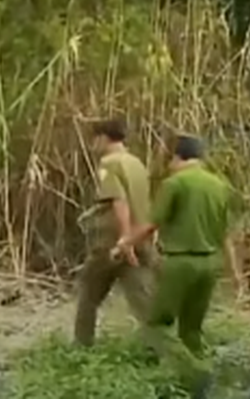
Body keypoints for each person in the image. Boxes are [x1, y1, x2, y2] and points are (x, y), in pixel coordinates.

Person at [121, 135, 237, 399]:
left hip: (180, 262)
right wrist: (234, 271)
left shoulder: (174, 184)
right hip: (210, 263)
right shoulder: (219, 186)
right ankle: (205, 373)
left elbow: (152, 224)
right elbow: (225, 234)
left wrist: (126, 243)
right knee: (192, 328)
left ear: (177, 157)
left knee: (158, 324)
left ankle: (194, 372)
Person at [73, 116, 155, 346]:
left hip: (113, 242)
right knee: (143, 299)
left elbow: (119, 201)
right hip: (140, 237)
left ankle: (82, 346)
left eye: (95, 139)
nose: (93, 145)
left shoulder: (109, 164)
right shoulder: (136, 163)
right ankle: (162, 348)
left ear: (103, 138)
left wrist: (124, 239)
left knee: (88, 295)